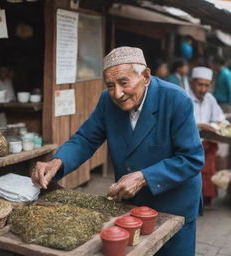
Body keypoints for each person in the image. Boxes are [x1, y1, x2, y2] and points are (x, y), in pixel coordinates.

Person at [32, 47, 204, 256]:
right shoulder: (108, 100)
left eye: (124, 83)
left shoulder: (176, 99)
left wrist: (143, 177)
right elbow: (86, 138)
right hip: (132, 204)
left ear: (146, 76)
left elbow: (191, 159)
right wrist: (57, 162)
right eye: (110, 85)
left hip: (174, 203)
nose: (117, 94)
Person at [188, 67, 226, 207]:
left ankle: (204, 202)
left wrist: (217, 123)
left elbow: (220, 117)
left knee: (208, 172)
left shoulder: (210, 98)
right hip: (189, 146)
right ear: (192, 83)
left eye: (206, 85)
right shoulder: (184, 98)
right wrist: (201, 125)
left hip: (207, 145)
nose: (203, 89)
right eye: (200, 85)